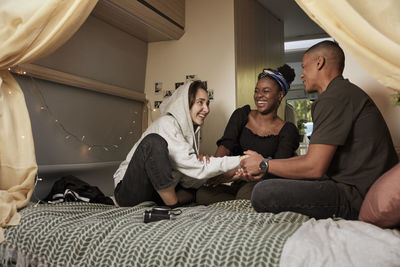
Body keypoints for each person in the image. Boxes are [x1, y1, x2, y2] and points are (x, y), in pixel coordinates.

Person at [239, 40, 398, 219]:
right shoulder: (342, 93)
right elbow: (312, 159)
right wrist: (266, 166)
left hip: (354, 197)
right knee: (271, 177)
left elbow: (314, 167)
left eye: (304, 67)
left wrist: (264, 164)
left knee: (263, 192)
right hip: (350, 186)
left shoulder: (333, 98)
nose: (302, 75)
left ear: (319, 62)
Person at [113, 81, 242, 208]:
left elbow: (189, 176)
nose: (207, 109)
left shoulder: (189, 133)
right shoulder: (166, 124)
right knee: (153, 141)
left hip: (155, 192)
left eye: (207, 103)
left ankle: (167, 202)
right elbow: (194, 167)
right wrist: (240, 160)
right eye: (200, 102)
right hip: (129, 193)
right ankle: (172, 205)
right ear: (186, 104)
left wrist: (231, 174)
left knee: (197, 188)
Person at [196, 65, 299, 205]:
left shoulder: (287, 130)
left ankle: (240, 204)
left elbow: (279, 169)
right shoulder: (242, 115)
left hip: (264, 184)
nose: (259, 96)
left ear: (280, 95)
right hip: (237, 182)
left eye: (266, 91)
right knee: (203, 194)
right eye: (256, 91)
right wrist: (214, 172)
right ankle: (240, 205)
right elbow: (225, 147)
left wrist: (233, 173)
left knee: (247, 194)